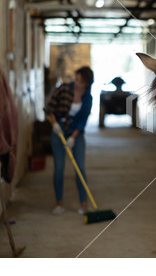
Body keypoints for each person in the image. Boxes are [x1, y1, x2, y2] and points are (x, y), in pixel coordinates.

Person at [45, 66, 94, 215]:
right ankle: (59, 203)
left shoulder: (88, 98)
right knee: (59, 168)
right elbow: (50, 109)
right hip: (58, 129)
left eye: (81, 81)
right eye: (76, 79)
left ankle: (84, 204)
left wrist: (73, 138)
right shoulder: (63, 89)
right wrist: (54, 124)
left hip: (76, 133)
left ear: (87, 83)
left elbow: (83, 120)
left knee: (80, 168)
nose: (77, 83)